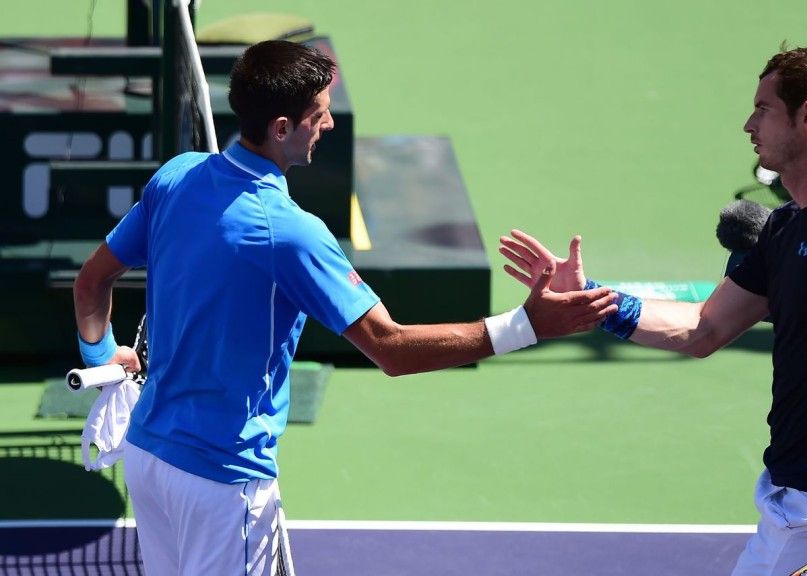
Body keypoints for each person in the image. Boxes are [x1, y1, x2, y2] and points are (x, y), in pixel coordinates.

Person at [72, 40, 618, 576]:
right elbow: (391, 350)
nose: (328, 125)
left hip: (148, 460)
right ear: (282, 128)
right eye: (319, 115)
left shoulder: (175, 177)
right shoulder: (293, 234)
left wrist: (102, 359)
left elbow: (91, 283)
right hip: (223, 485)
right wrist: (527, 326)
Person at [499, 46, 807, 576]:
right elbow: (702, 328)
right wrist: (593, 298)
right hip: (791, 497)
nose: (748, 124)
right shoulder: (783, 229)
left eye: (763, 109)